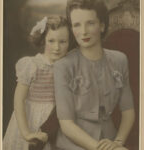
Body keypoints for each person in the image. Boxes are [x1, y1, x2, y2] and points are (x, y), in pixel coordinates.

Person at [54, 0, 135, 150]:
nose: (83, 31)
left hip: (111, 140)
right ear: (71, 29)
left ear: (102, 26)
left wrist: (117, 142)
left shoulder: (119, 59)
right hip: (73, 144)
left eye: (90, 23)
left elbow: (128, 111)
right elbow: (66, 124)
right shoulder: (63, 66)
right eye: (77, 25)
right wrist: (100, 148)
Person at [3, 15, 70, 150]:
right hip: (30, 120)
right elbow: (19, 100)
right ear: (43, 40)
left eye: (62, 41)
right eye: (51, 41)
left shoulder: (69, 66)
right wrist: (26, 133)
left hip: (57, 121)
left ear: (70, 42)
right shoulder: (32, 65)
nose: (57, 47)